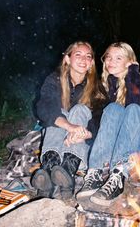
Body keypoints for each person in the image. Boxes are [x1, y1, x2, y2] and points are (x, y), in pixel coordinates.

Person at [76, 42, 140, 206]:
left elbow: (139, 109)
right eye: (109, 57)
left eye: (118, 58)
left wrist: (132, 74)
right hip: (127, 147)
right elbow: (99, 119)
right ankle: (96, 172)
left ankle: (118, 176)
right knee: (112, 108)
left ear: (129, 61)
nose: (111, 61)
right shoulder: (104, 87)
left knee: (132, 109)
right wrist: (89, 135)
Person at [31, 41, 108, 199]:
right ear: (67, 59)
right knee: (58, 113)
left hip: (81, 149)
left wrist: (86, 133)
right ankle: (48, 172)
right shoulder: (54, 80)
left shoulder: (96, 88)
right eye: (78, 54)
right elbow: (44, 106)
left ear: (92, 63)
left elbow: (101, 116)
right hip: (55, 142)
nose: (83, 59)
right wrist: (69, 126)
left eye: (88, 56)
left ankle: (67, 170)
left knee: (80, 109)